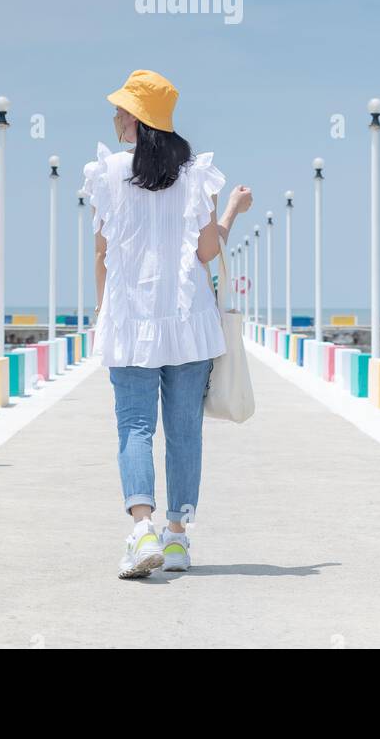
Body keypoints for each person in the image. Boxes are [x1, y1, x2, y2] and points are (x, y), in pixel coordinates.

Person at [81, 69, 252, 579]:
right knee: (184, 430)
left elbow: (101, 254)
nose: (114, 116)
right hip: (188, 320)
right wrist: (232, 212)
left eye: (120, 109)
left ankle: (142, 530)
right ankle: (177, 537)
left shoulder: (108, 173)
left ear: (134, 119)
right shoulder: (197, 174)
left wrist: (100, 311)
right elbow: (204, 252)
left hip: (130, 319)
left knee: (134, 426)